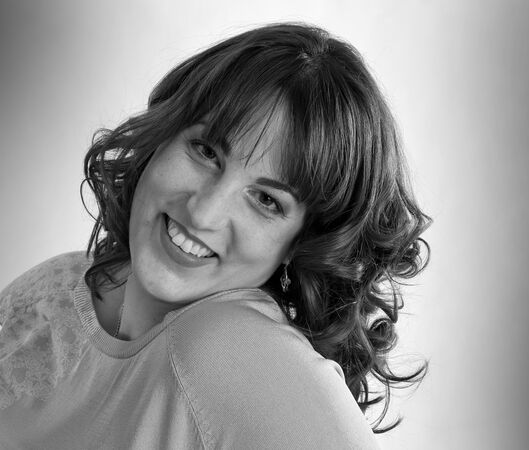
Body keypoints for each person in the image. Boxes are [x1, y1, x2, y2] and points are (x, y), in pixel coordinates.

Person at [0, 22, 430, 449]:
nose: (203, 212)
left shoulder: (237, 352)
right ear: (164, 134)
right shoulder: (51, 293)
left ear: (302, 243)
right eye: (206, 152)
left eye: (266, 200)